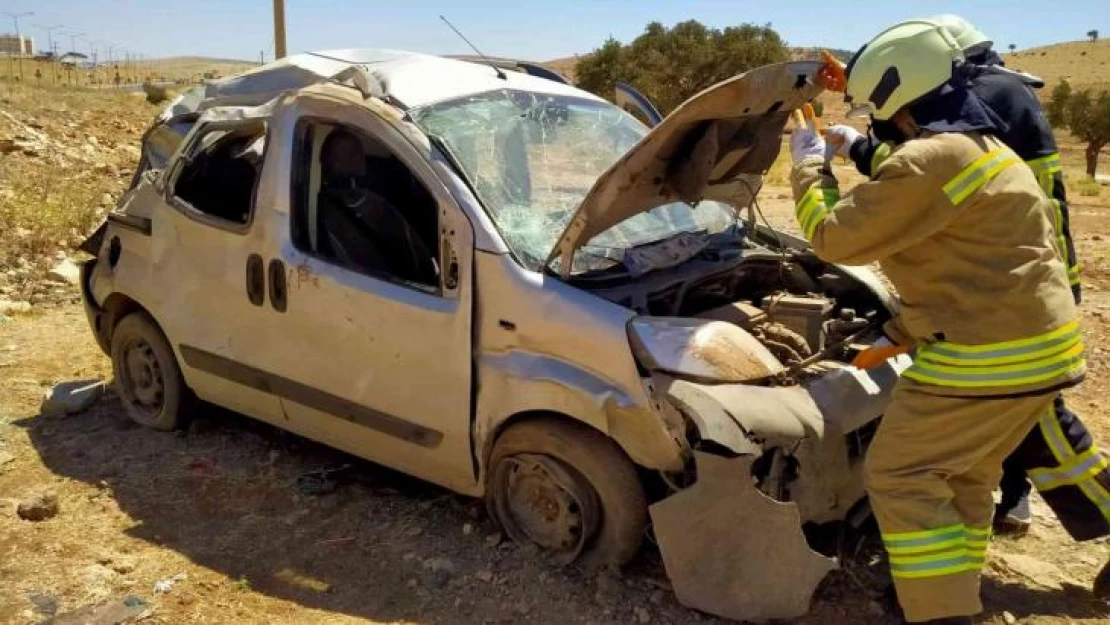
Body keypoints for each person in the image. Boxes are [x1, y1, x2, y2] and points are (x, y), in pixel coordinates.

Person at [789, 20, 1086, 624]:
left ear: (901, 96)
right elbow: (969, 268)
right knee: (966, 476)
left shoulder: (931, 159)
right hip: (1041, 346)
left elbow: (831, 237)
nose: (875, 122)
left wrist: (810, 167)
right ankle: (945, 595)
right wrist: (899, 331)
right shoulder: (980, 146)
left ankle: (936, 613)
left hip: (990, 356)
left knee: (901, 473)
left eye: (876, 108)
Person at [316, 129, 435, 284]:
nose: (359, 159)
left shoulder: (378, 187)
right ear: (332, 164)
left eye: (359, 152)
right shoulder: (346, 205)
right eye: (350, 155)